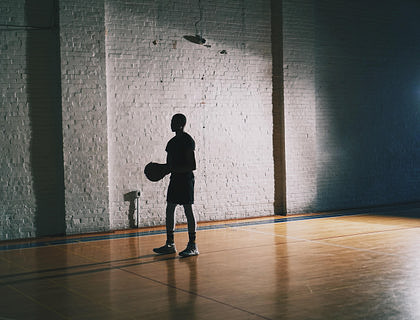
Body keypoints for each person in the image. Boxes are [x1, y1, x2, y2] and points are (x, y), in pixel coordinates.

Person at [153, 114, 199, 257]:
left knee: (188, 209)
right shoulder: (171, 143)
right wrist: (162, 170)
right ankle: (170, 244)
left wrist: (172, 169)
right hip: (175, 179)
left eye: (173, 122)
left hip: (186, 179)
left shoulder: (187, 140)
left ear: (181, 124)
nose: (171, 124)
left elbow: (192, 165)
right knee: (170, 209)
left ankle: (193, 246)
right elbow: (170, 165)